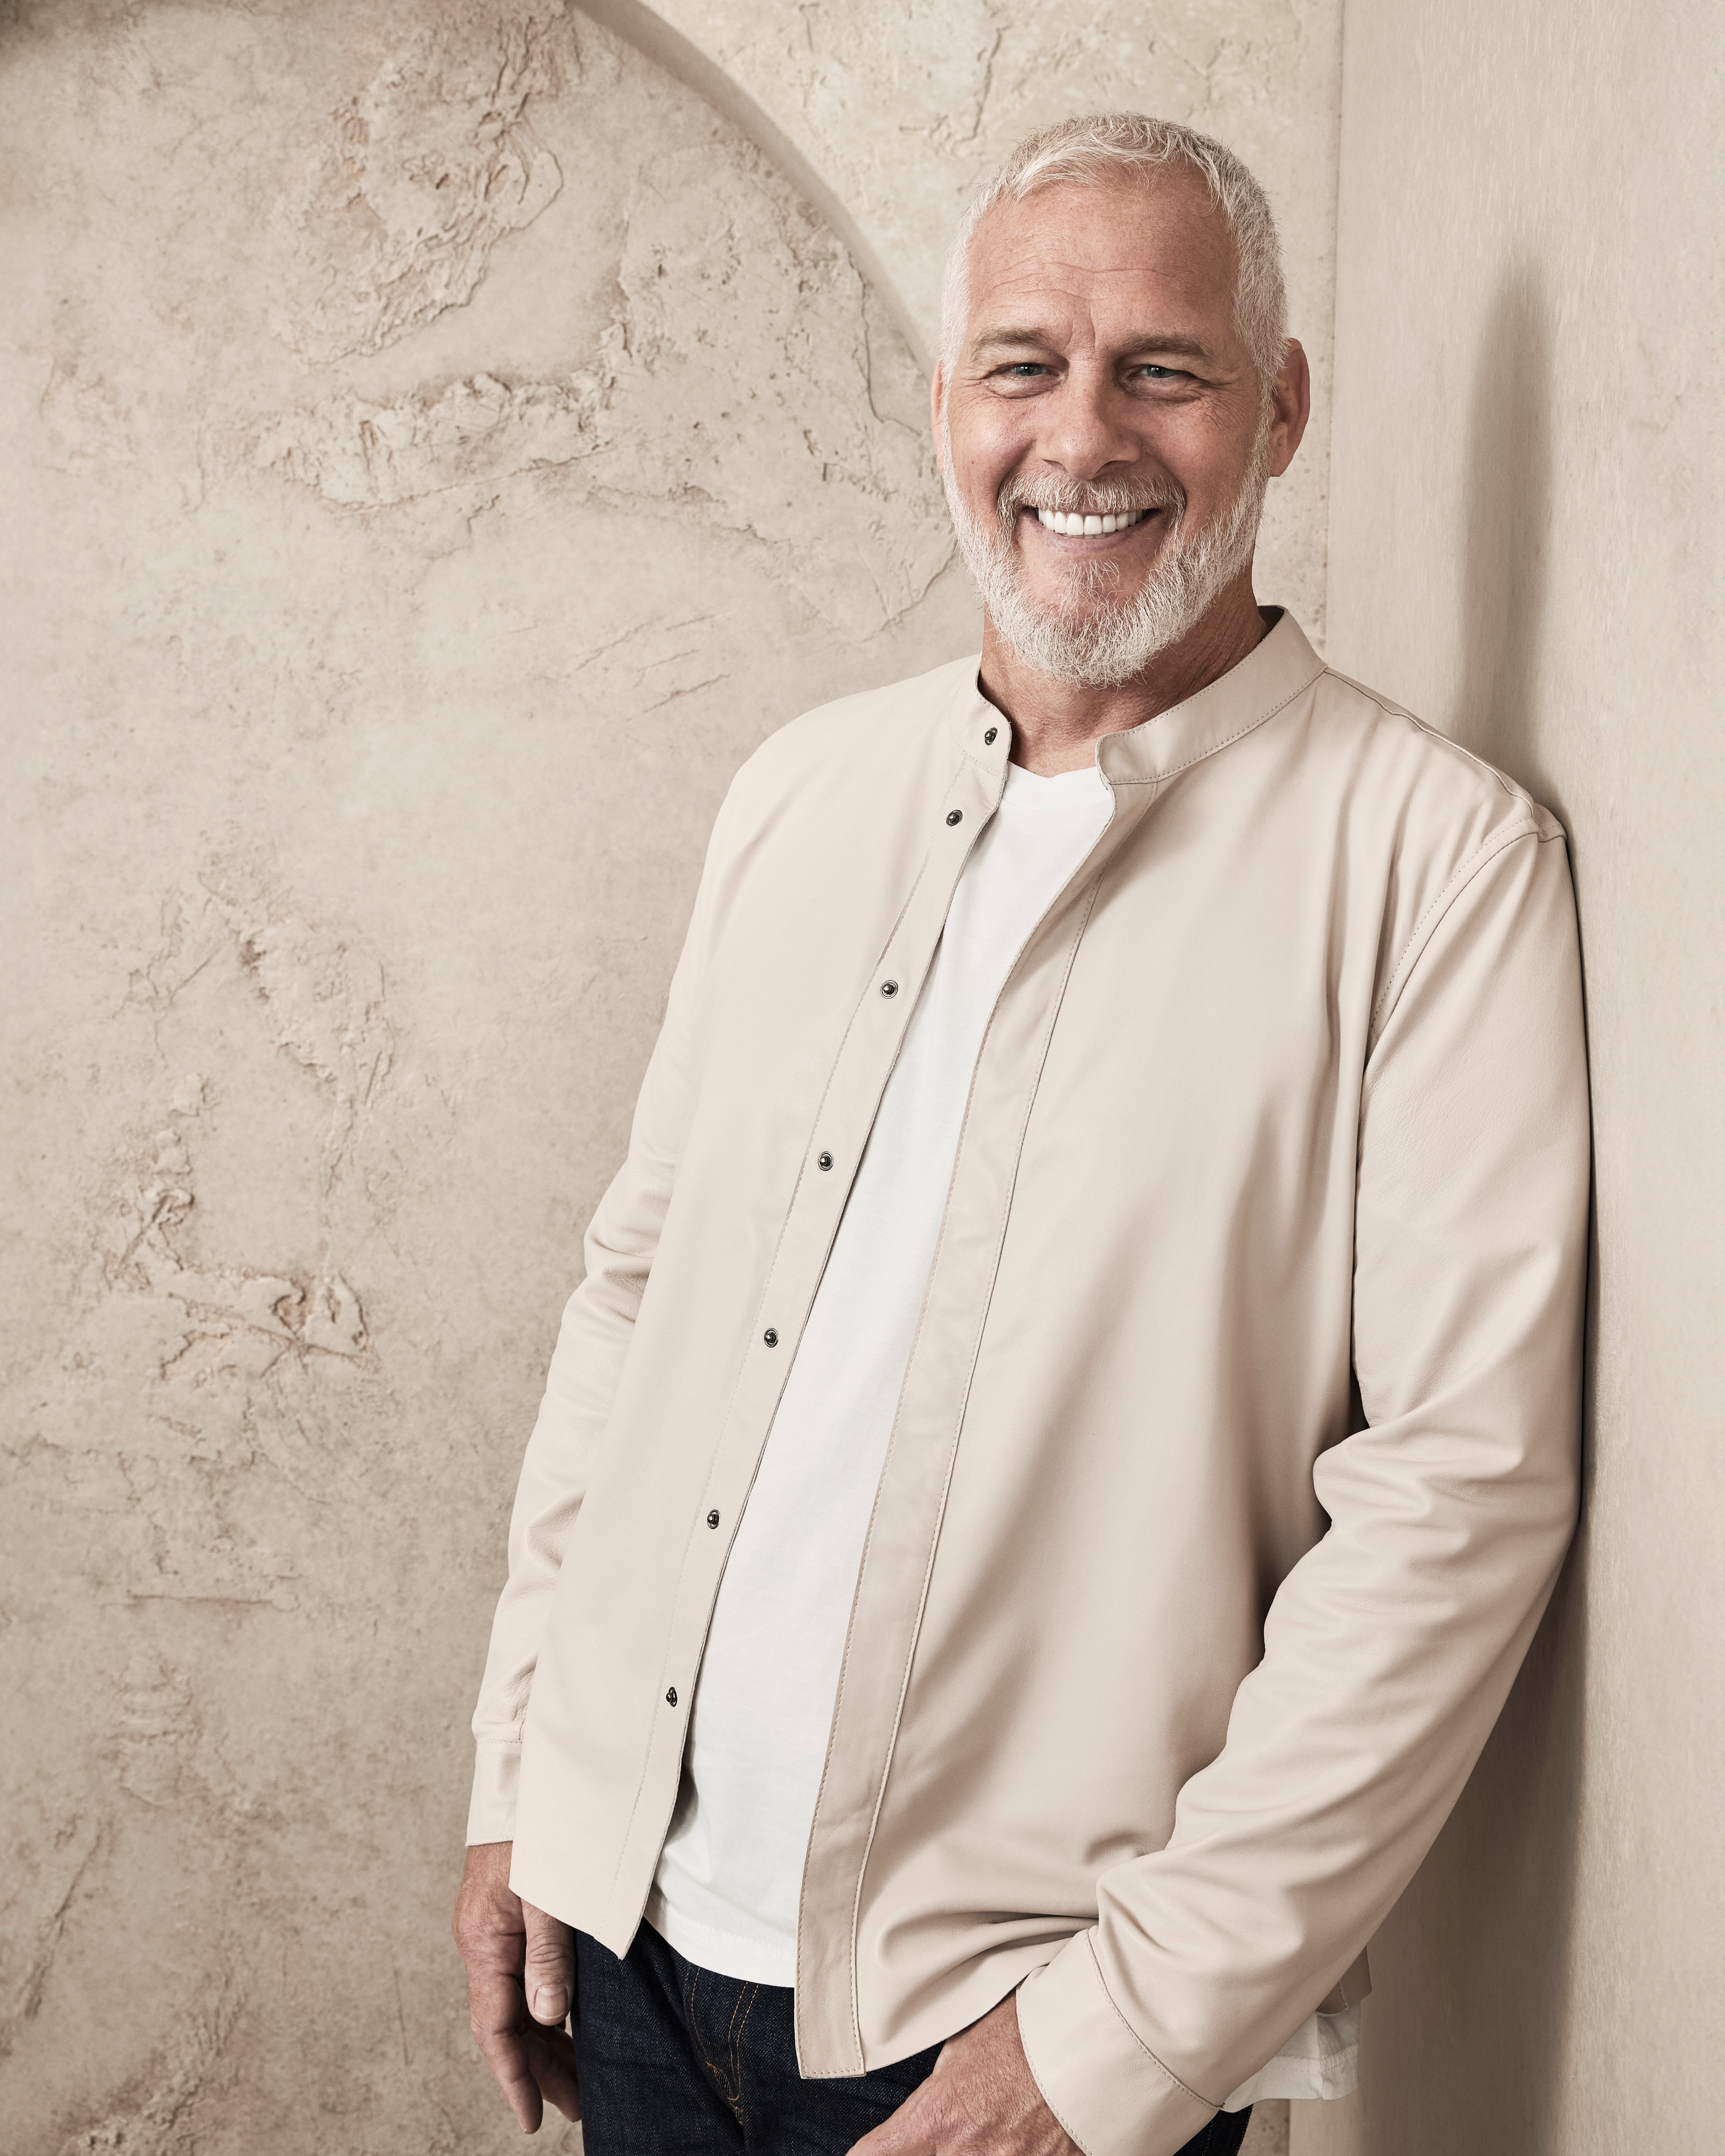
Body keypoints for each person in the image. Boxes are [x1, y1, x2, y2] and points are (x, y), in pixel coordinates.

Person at [452, 113, 1590, 2156]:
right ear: (944, 401)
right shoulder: (797, 790)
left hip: (1008, 2030)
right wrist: (523, 1770)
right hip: (619, 1945)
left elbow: (1454, 1498)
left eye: (1161, 365)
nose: (1084, 435)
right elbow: (632, 1297)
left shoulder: (1431, 860)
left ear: (1280, 405)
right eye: (1020, 365)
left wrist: (1123, 2035)